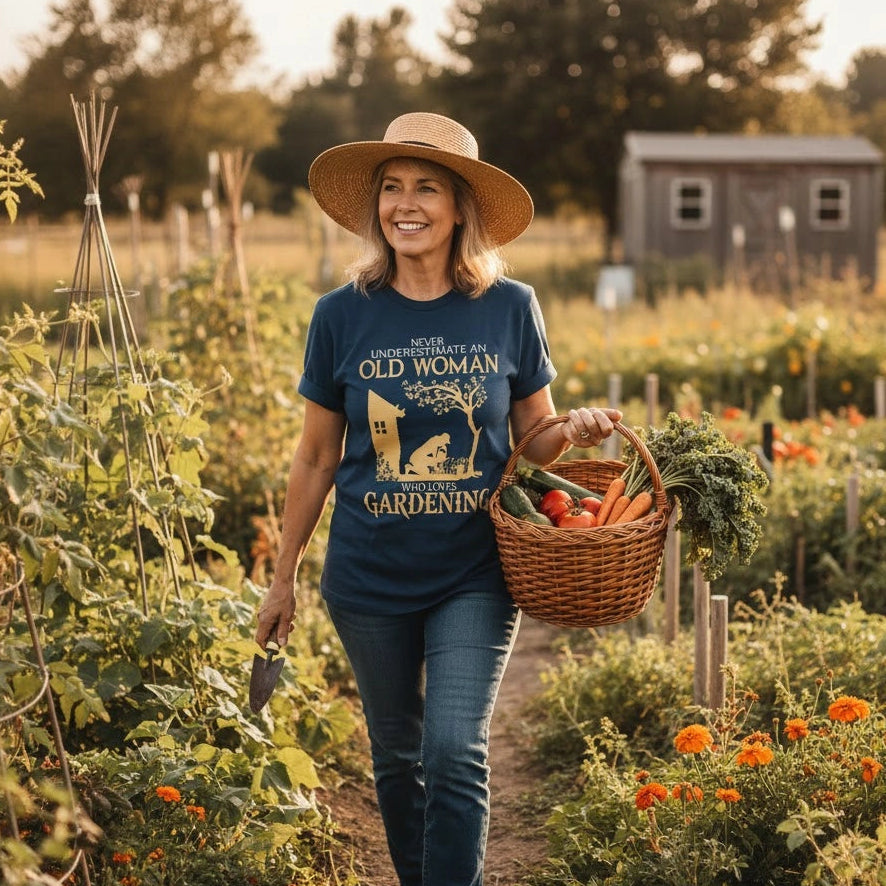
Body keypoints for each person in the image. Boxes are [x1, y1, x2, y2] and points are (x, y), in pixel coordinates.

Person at [254, 111, 622, 886]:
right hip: (367, 577)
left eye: (426, 187)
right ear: (375, 207)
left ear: (461, 208)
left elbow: (535, 439)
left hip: (474, 570)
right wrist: (282, 575)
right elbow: (318, 456)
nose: (405, 204)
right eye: (391, 188)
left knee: (455, 748)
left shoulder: (509, 307)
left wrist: (574, 428)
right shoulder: (340, 315)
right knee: (396, 754)